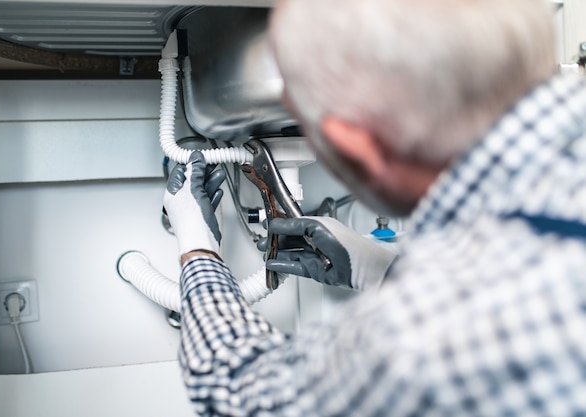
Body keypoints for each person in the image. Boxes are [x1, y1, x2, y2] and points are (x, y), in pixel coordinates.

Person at [163, 0, 586, 414]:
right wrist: (385, 271)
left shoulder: (422, 336)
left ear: (358, 148)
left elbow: (241, 388)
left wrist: (197, 247)